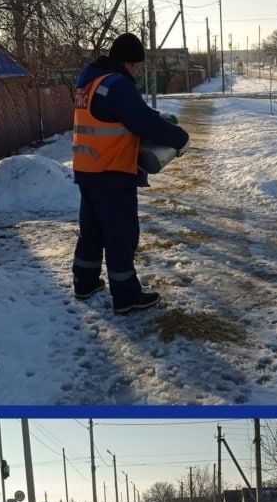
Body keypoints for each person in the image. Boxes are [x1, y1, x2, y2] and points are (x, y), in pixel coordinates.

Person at [71, 32, 190, 315]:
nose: (138, 71)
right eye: (137, 66)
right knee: (120, 234)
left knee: (92, 230)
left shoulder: (89, 81)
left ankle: (85, 282)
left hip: (87, 169)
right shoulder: (117, 85)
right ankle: (126, 297)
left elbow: (123, 114)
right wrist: (179, 137)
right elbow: (141, 120)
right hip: (111, 171)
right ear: (127, 63)